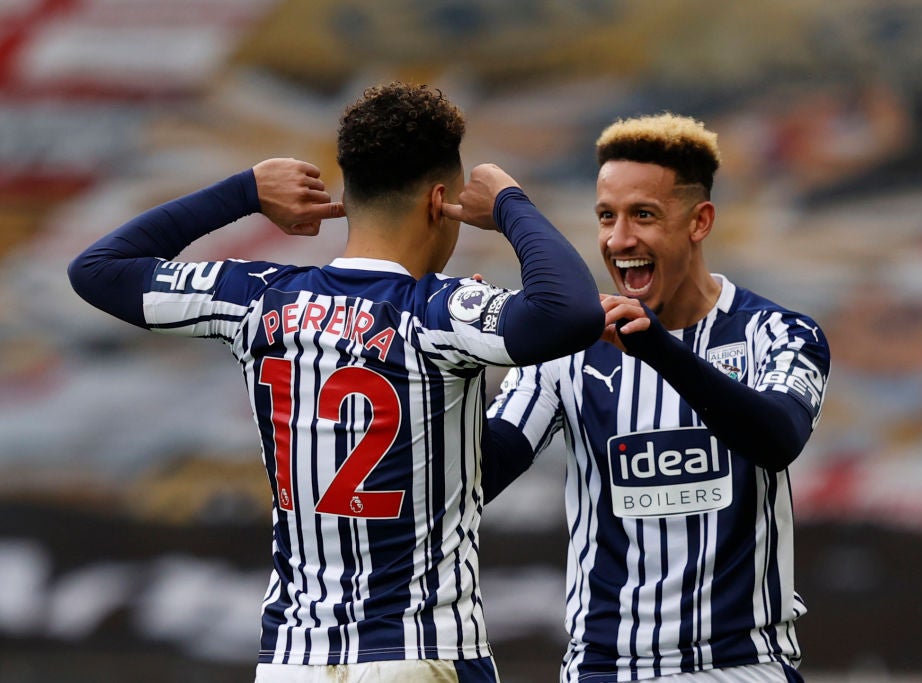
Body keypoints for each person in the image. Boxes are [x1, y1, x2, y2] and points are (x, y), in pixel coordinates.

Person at [67, 81, 605, 683]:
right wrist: (510, 202)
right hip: (421, 653)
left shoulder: (261, 300)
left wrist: (243, 192)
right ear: (439, 202)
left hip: (293, 660)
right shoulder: (440, 312)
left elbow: (98, 270)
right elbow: (571, 311)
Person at [482, 112, 831, 683]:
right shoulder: (570, 350)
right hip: (605, 669)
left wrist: (658, 350)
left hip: (743, 666)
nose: (619, 240)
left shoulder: (777, 332)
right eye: (606, 217)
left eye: (643, 215)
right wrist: (464, 370)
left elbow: (777, 438)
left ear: (700, 222)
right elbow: (484, 473)